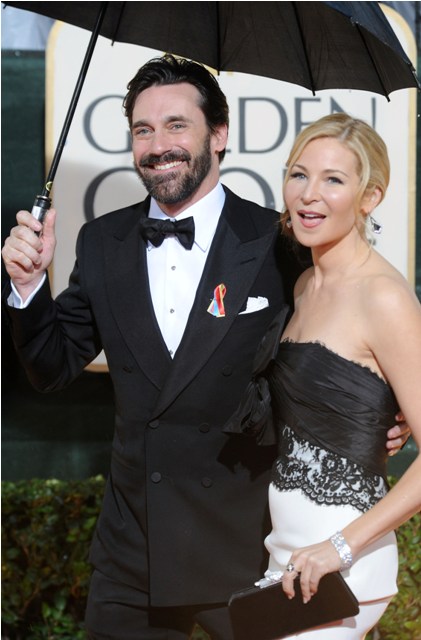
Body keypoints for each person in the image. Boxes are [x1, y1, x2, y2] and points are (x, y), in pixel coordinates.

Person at [1, 57, 409, 640]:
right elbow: (50, 367)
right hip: (132, 555)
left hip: (249, 551)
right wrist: (27, 287)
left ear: (218, 134)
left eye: (176, 125)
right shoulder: (102, 242)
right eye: (143, 130)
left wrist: (382, 415)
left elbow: (337, 351)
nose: (157, 146)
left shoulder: (280, 242)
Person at [251, 113, 421, 639]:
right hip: (289, 557)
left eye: (333, 180)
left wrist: (338, 548)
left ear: (370, 197)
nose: (309, 195)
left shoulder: (384, 297)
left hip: (343, 566)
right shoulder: (304, 285)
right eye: (299, 174)